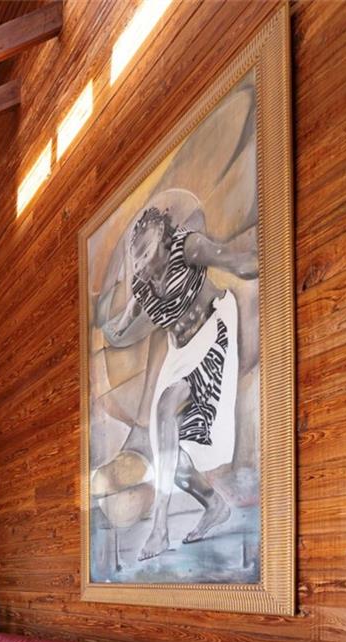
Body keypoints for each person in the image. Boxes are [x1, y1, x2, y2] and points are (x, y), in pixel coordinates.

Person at [95, 202, 257, 561]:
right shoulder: (142, 283)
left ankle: (160, 530)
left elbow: (233, 260)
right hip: (180, 351)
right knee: (165, 445)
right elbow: (126, 318)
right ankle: (215, 504)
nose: (142, 266)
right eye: (137, 259)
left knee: (165, 409)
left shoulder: (189, 247)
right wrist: (114, 327)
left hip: (213, 331)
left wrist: (259, 263)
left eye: (147, 254)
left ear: (163, 241)